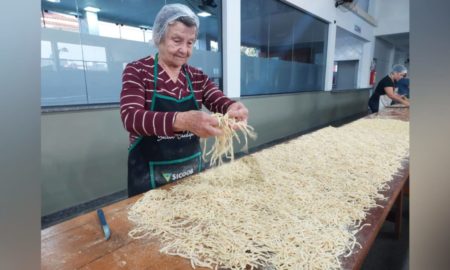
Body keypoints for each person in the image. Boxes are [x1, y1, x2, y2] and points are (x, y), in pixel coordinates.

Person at [120, 4, 248, 197]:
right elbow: (131, 118)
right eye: (177, 40)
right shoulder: (138, 71)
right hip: (149, 177)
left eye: (190, 43)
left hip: (191, 172)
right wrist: (183, 121)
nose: (184, 50)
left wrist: (232, 107)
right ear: (158, 37)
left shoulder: (197, 76)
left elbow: (218, 100)